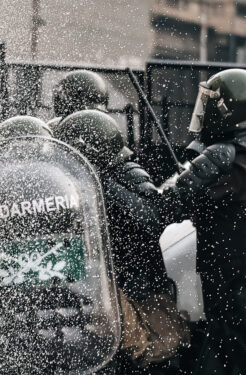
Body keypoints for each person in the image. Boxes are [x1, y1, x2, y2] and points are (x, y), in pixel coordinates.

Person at [54, 110, 190, 373]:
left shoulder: (121, 174)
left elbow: (150, 219)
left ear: (89, 151)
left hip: (135, 282)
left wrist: (100, 184)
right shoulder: (97, 178)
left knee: (147, 350)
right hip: (113, 274)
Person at [144, 69, 246, 375]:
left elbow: (165, 204)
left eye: (210, 104)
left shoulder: (223, 157)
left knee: (228, 354)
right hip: (233, 280)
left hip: (232, 285)